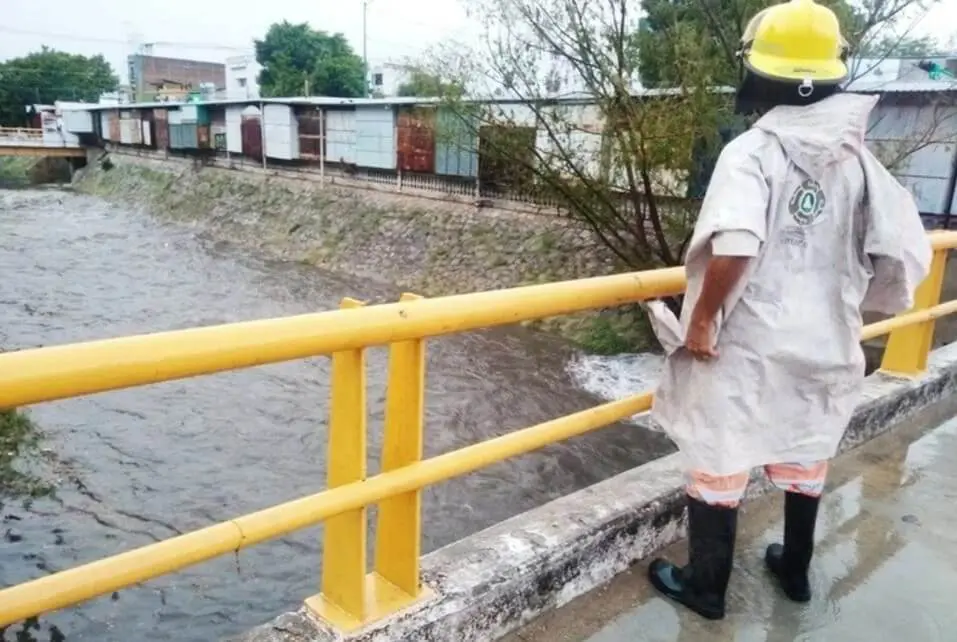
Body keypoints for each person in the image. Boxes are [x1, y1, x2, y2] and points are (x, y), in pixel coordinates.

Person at [643, 0, 933, 621]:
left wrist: (700, 321)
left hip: (748, 341)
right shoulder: (858, 159)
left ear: (759, 72)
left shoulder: (751, 153)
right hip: (825, 338)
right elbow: (901, 249)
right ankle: (795, 574)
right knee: (805, 450)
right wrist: (861, 304)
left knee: (719, 456)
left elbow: (737, 245)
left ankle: (706, 588)